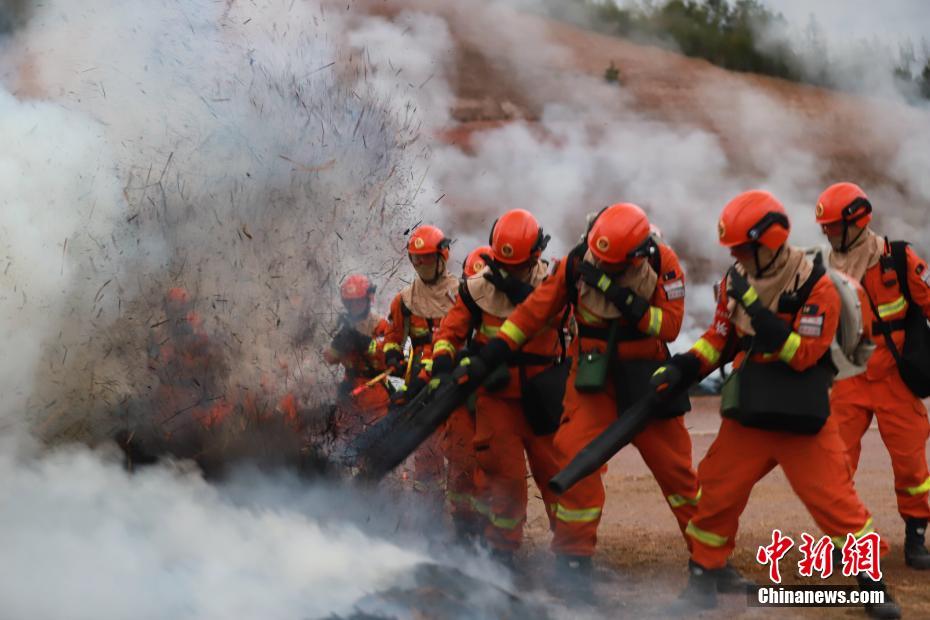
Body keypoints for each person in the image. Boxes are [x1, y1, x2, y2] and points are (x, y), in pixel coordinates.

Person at [651, 190, 900, 618]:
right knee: (714, 493)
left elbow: (804, 354)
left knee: (835, 501)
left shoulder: (816, 285)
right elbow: (722, 337)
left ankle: (872, 586)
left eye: (745, 249)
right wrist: (686, 367)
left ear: (769, 243)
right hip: (750, 408)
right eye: (735, 251)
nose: (739, 257)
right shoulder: (736, 281)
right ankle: (701, 582)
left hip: (801, 412)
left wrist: (758, 313)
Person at [462, 203, 705, 589]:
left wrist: (623, 298)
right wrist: (496, 349)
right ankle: (573, 565)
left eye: (613, 265)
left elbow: (670, 326)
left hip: (647, 379)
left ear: (638, 254)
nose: (603, 267)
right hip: (593, 378)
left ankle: (709, 563)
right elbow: (534, 311)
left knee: (676, 472)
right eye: (601, 262)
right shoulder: (577, 262)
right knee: (574, 461)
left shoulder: (664, 262)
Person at [432, 209, 563, 568]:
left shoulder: (553, 283)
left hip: (542, 396)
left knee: (558, 475)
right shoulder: (476, 290)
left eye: (517, 267)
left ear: (536, 255)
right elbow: (450, 332)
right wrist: (444, 361)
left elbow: (562, 316)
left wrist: (524, 293)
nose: (508, 273)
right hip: (497, 399)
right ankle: (502, 555)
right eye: (504, 266)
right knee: (503, 481)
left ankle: (572, 557)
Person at [815, 181, 930, 569]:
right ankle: (842, 535)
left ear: (856, 222)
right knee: (835, 459)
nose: (827, 233)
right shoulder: (822, 268)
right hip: (849, 375)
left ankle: (916, 536)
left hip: (894, 378)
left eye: (832, 226)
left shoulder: (897, 258)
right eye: (825, 227)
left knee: (911, 464)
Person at [383, 225, 459, 505]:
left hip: (454, 382)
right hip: (419, 388)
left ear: (443, 256)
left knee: (464, 454)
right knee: (426, 455)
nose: (423, 264)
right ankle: (429, 518)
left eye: (427, 257)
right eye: (417, 259)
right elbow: (392, 338)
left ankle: (469, 526)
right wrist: (392, 357)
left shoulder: (464, 295)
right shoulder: (404, 301)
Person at [323, 274, 390, 439]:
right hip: (350, 392)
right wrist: (338, 344)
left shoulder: (379, 324)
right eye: (350, 303)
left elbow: (386, 357)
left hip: (375, 392)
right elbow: (329, 359)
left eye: (358, 302)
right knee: (345, 441)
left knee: (378, 440)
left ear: (368, 299)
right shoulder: (343, 325)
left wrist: (364, 342)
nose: (354, 307)